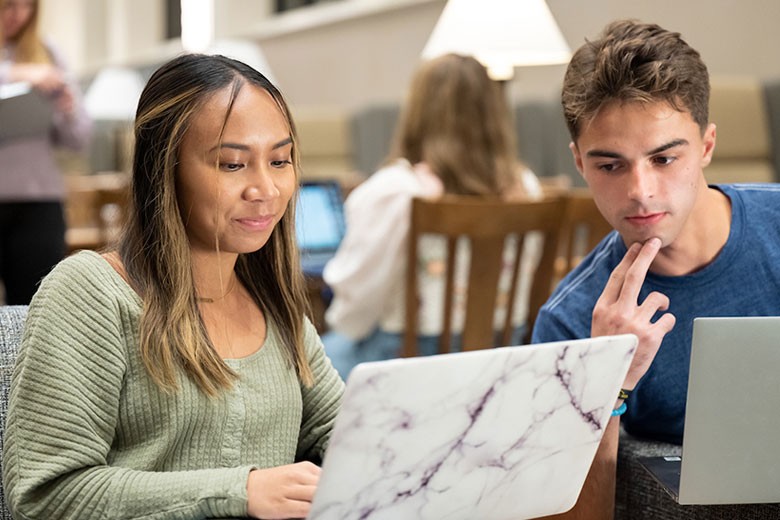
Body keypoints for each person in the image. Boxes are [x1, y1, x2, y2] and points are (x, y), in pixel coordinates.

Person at [3, 53, 344, 519]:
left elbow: (349, 434)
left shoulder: (274, 303)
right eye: (232, 164)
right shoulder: (90, 293)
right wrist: (240, 491)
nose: (266, 189)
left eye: (280, 160)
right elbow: (46, 497)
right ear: (163, 168)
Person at [532, 19, 780, 447]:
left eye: (663, 160)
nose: (640, 192)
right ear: (580, 164)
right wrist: (607, 376)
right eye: (610, 166)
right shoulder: (570, 321)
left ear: (706, 146)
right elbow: (582, 494)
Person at [322, 53, 543, 379]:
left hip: (407, 365)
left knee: (306, 363)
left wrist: (341, 324)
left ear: (417, 110)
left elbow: (356, 301)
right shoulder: (525, 186)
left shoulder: (397, 189)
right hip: (500, 360)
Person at [0, 0, 91, 304]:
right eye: (9, 5)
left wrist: (67, 110)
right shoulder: (34, 68)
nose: (18, 15)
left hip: (39, 205)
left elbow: (79, 139)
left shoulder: (47, 53)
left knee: (35, 306)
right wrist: (18, 73)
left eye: (28, 6)